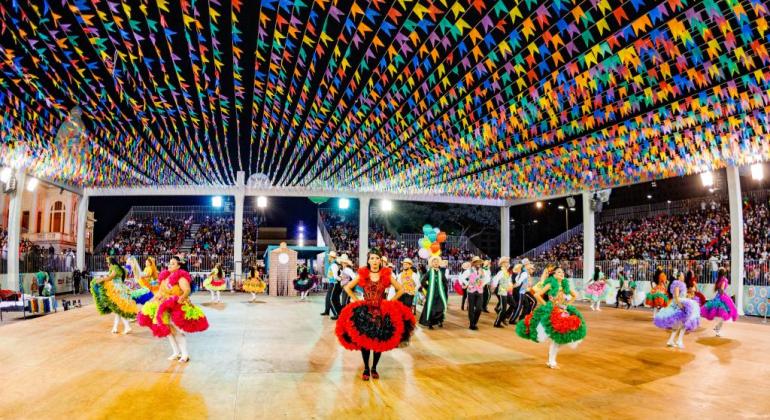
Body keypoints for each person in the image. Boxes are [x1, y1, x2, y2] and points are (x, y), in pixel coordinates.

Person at [336, 251, 415, 381]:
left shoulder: (386, 274)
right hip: (365, 311)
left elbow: (401, 289)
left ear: (380, 261)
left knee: (379, 340)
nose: (374, 261)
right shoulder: (363, 274)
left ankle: (374, 368)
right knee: (365, 342)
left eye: (377, 258)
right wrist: (356, 300)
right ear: (368, 261)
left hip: (380, 311)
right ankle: (366, 368)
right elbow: (347, 287)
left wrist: (391, 301)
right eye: (372, 258)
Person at [137, 255, 208, 362]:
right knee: (168, 331)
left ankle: (185, 355)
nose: (169, 265)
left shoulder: (181, 277)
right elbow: (160, 291)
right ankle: (176, 352)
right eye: (169, 263)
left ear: (179, 266)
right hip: (164, 307)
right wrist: (154, 300)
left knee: (178, 331)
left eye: (173, 263)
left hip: (176, 308)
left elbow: (187, 290)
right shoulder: (165, 277)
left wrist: (180, 299)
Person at [515, 267, 587, 369]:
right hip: (552, 312)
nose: (561, 273)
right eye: (559, 272)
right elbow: (537, 294)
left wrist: (567, 305)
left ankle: (551, 360)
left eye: (562, 271)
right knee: (555, 338)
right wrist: (546, 305)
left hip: (562, 311)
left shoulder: (565, 284)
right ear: (554, 275)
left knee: (560, 338)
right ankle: (551, 361)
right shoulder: (550, 284)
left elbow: (575, 295)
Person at [90, 256, 138, 334]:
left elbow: (111, 277)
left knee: (118, 309)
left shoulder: (115, 267)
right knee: (118, 310)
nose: (107, 264)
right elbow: (124, 275)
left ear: (111, 262)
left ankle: (127, 327)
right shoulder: (120, 268)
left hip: (116, 289)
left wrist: (101, 279)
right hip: (121, 288)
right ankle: (115, 328)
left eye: (108, 263)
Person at [653, 272, 700, 348]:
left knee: (680, 325)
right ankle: (678, 341)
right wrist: (681, 306)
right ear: (678, 277)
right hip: (678, 306)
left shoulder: (682, 284)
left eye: (683, 275)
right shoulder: (677, 284)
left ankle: (671, 341)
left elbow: (681, 296)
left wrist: (688, 295)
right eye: (682, 275)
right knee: (682, 324)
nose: (683, 276)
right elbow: (677, 297)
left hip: (681, 304)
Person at [701, 268, 738, 337]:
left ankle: (717, 328)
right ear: (724, 273)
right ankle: (717, 329)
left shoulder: (718, 280)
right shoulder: (724, 280)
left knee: (720, 315)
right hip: (721, 297)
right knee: (723, 315)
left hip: (717, 297)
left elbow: (719, 290)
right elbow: (722, 289)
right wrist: (725, 296)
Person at [458, 256, 489, 330]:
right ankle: (472, 324)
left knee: (479, 308)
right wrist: (467, 284)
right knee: (471, 308)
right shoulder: (469, 271)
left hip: (480, 291)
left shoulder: (483, 271)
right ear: (474, 263)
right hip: (471, 291)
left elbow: (487, 278)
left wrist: (483, 284)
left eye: (479, 262)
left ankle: (474, 322)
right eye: (476, 262)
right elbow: (462, 277)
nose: (478, 263)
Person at [419, 256, 448, 329]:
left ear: (439, 263)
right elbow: (422, 281)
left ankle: (439, 320)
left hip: (440, 293)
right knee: (431, 308)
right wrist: (428, 287)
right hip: (431, 293)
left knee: (441, 307)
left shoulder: (441, 272)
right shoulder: (429, 272)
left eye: (437, 262)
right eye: (434, 262)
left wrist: (443, 288)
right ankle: (430, 324)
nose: (436, 263)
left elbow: (445, 282)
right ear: (432, 263)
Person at [510, 260, 539, 324]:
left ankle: (521, 318)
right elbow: (518, 282)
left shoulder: (524, 271)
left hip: (521, 291)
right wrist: (511, 287)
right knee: (519, 306)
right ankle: (512, 320)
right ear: (526, 265)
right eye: (529, 264)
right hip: (520, 291)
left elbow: (520, 281)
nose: (530, 265)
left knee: (523, 305)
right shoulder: (524, 272)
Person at [492, 257, 513, 328]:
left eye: (508, 262)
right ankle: (497, 323)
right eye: (506, 262)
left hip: (506, 291)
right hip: (502, 291)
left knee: (508, 306)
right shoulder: (501, 271)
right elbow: (495, 279)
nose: (508, 263)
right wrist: (494, 287)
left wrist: (510, 286)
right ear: (503, 263)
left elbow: (509, 280)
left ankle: (502, 319)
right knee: (503, 308)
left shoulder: (506, 271)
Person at [320, 252, 339, 317]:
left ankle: (336, 314)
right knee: (327, 298)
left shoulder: (334, 265)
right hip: (331, 283)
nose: (328, 258)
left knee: (330, 299)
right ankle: (327, 311)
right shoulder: (332, 265)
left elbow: (335, 276)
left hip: (333, 284)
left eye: (329, 257)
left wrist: (340, 279)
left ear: (331, 257)